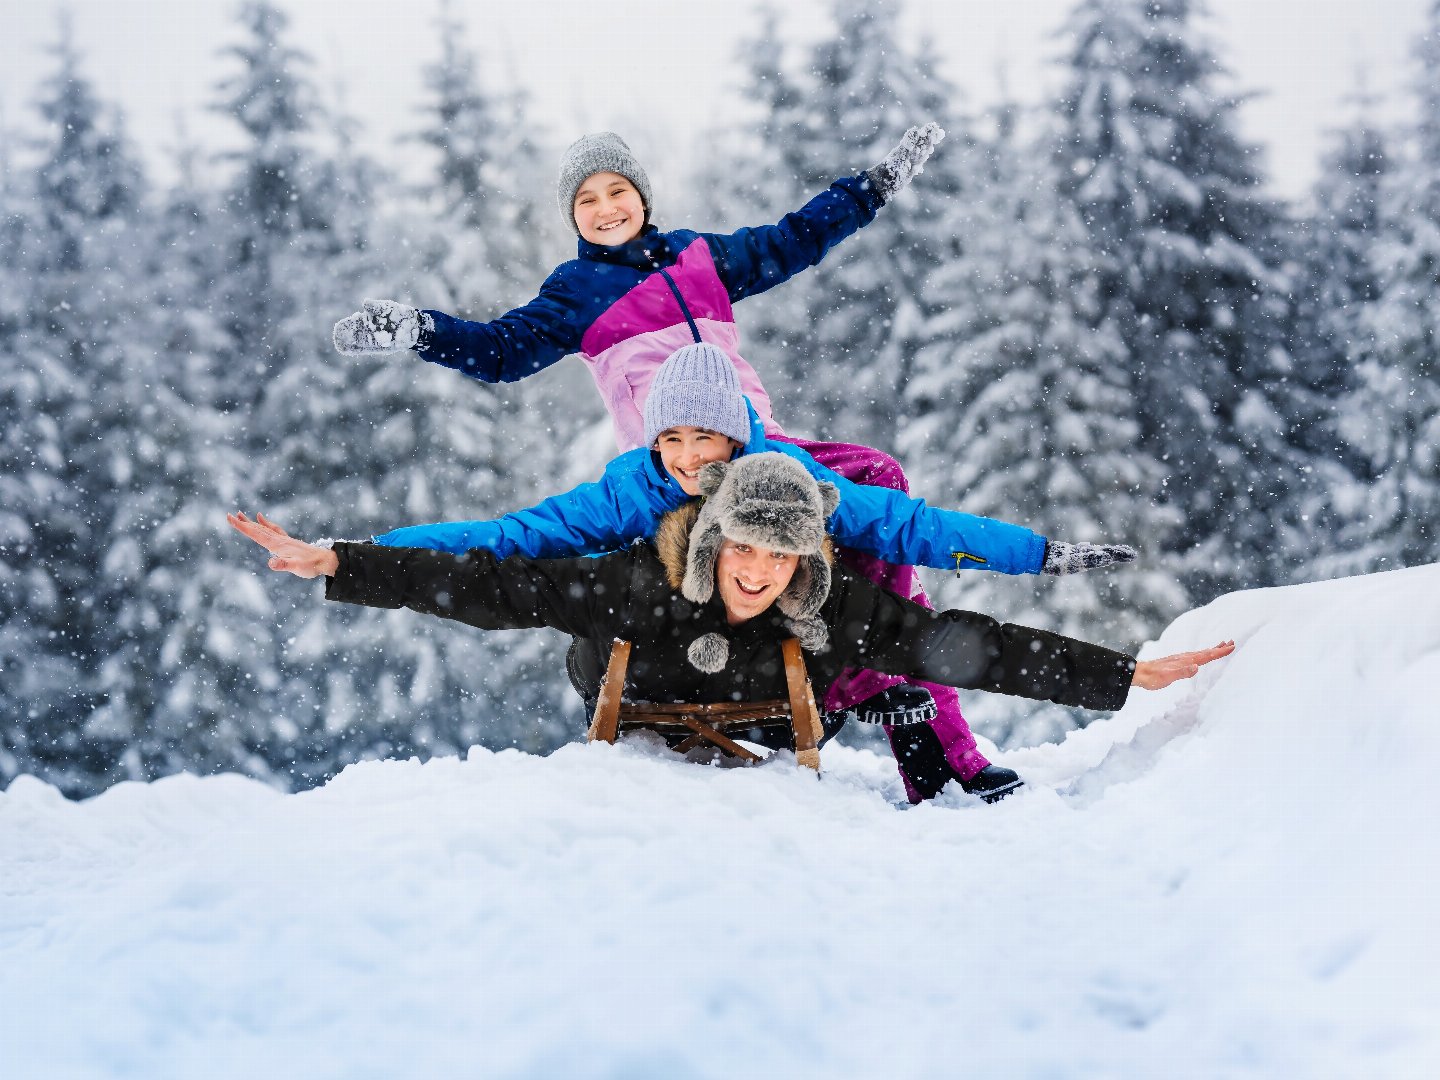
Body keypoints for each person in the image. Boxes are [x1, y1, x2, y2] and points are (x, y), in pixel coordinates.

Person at [327, 126, 1126, 800]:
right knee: (858, 513)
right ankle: (877, 687)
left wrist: (873, 187)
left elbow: (794, 240)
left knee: (879, 485)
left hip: (761, 450)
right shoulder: (575, 294)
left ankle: (919, 724)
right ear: (573, 216)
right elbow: (500, 353)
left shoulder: (698, 259)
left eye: (617, 191)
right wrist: (418, 329)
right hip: (678, 473)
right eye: (587, 199)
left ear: (642, 196)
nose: (606, 208)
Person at [354, 342, 1137, 800]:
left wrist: (1038, 554)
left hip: (771, 637)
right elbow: (514, 540)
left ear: (737, 438)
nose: (691, 457)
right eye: (672, 440)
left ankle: (893, 703)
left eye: (707, 439)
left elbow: (911, 530)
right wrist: (369, 556)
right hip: (661, 626)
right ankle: (886, 696)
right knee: (584, 582)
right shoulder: (640, 487)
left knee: (880, 507)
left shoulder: (777, 479)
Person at [226, 454, 1234, 803]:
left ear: (804, 557)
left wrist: (1122, 675)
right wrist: (341, 563)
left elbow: (961, 644)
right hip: (645, 694)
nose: (757, 571)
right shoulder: (643, 579)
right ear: (715, 540)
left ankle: (929, 757)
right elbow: (500, 586)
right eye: (743, 549)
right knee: (556, 607)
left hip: (770, 719)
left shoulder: (824, 603)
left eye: (779, 555)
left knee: (900, 669)